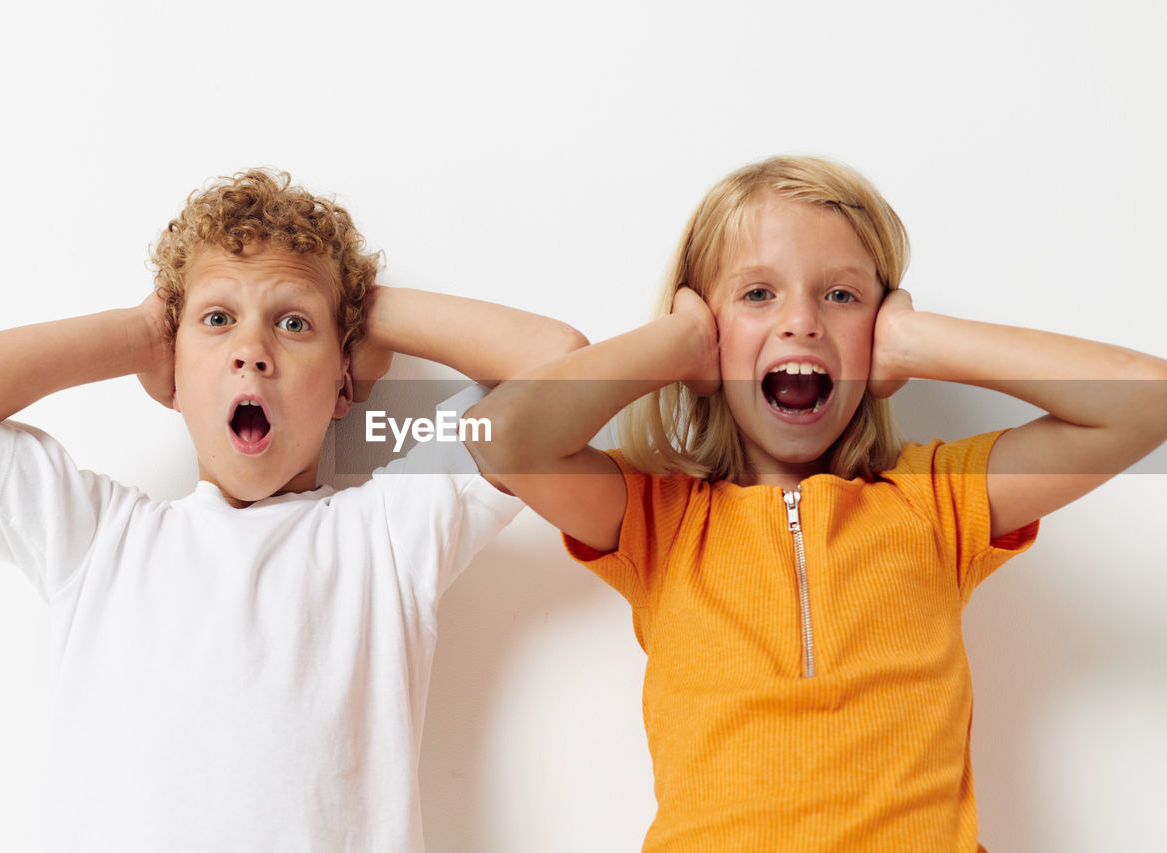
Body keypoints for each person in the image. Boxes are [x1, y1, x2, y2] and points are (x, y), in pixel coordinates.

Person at [465, 155, 1167, 851]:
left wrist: (918, 341)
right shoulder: (658, 519)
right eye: (756, 294)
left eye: (841, 296)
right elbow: (501, 438)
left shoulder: (939, 503)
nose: (801, 321)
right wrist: (675, 342)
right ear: (708, 336)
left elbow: (1146, 401)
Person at [0, 168, 585, 852]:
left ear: (345, 385)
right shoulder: (98, 539)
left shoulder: (388, 536)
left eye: (292, 324)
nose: (252, 351)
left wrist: (365, 312)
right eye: (217, 320)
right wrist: (138, 332)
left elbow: (561, 366)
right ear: (172, 377)